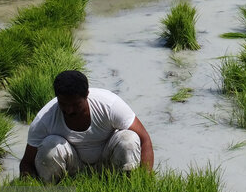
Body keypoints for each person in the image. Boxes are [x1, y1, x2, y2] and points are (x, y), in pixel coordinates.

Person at [18, 69, 154, 182]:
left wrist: (145, 182)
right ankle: (53, 191)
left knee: (128, 138)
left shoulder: (110, 105)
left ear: (87, 95)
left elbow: (144, 140)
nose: (69, 110)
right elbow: (27, 162)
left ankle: (128, 186)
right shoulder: (44, 119)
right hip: (72, 170)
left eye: (75, 105)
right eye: (63, 104)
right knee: (50, 145)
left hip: (108, 163)